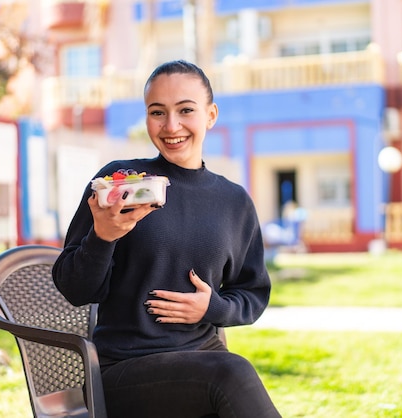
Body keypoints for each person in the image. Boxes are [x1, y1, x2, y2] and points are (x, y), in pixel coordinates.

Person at [52, 59, 281, 418]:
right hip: (123, 369)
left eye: (185, 110)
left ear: (210, 115)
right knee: (232, 373)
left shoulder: (234, 201)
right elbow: (75, 289)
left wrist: (213, 308)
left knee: (230, 376)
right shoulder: (120, 183)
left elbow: (252, 292)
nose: (171, 126)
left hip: (203, 359)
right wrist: (102, 237)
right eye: (157, 112)